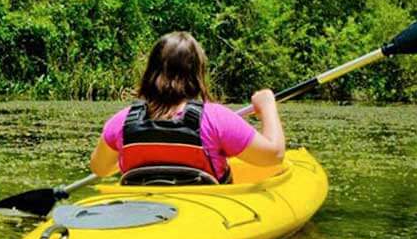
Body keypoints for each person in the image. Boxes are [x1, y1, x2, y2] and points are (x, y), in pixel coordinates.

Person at [90, 31, 285, 184]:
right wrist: (267, 106)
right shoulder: (216, 118)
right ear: (197, 73)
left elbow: (100, 169)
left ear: (151, 70)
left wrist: (141, 154)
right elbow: (274, 155)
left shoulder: (122, 121)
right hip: (206, 213)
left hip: (143, 210)